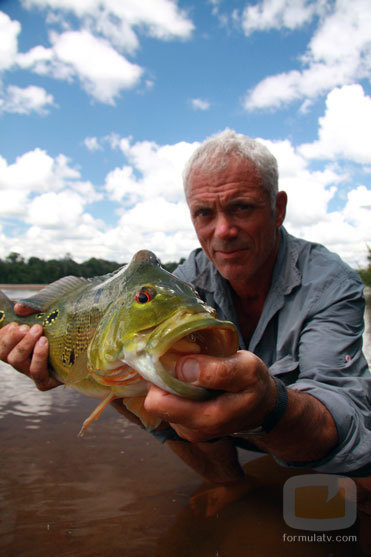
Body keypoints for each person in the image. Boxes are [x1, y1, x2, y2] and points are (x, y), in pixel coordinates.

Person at [1, 130, 370, 484]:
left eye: (241, 207)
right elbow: (132, 384)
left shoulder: (331, 284)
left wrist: (268, 406)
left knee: (361, 486)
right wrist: (79, 368)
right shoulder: (183, 278)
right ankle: (230, 486)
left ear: (278, 209)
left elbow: (344, 422)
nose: (223, 230)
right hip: (213, 429)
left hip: (322, 444)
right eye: (204, 213)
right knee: (156, 402)